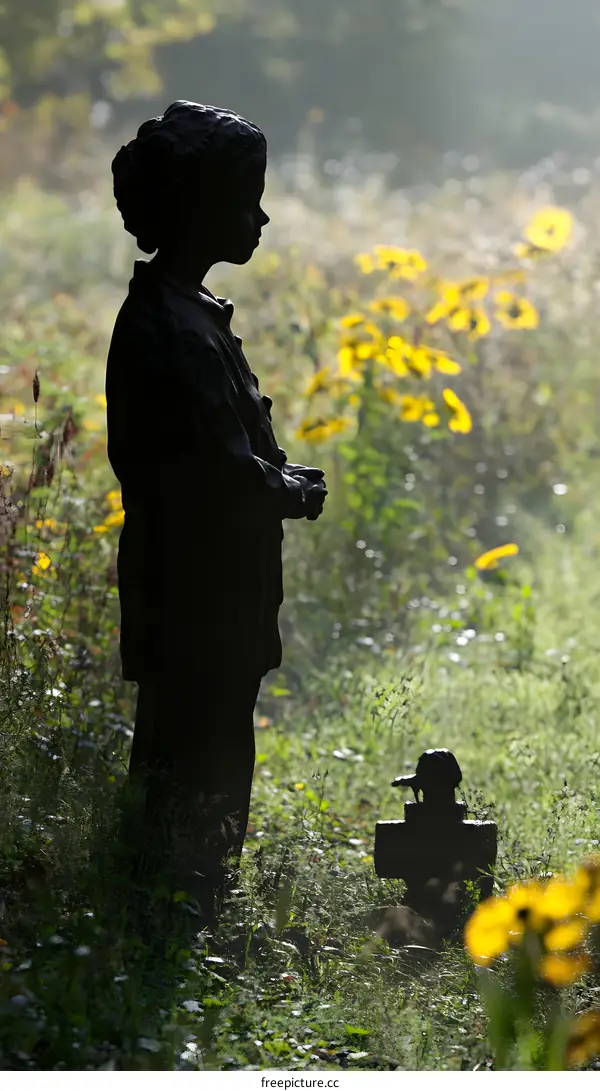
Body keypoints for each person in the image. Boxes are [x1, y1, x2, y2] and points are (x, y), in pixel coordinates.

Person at [106, 100, 327, 921]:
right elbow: (212, 474)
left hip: (208, 591)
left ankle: (181, 900)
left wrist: (272, 476)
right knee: (197, 748)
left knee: (209, 738)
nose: (261, 215)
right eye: (246, 198)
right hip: (193, 592)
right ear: (200, 207)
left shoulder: (185, 314)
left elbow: (221, 459)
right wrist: (291, 491)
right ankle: (177, 908)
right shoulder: (172, 328)